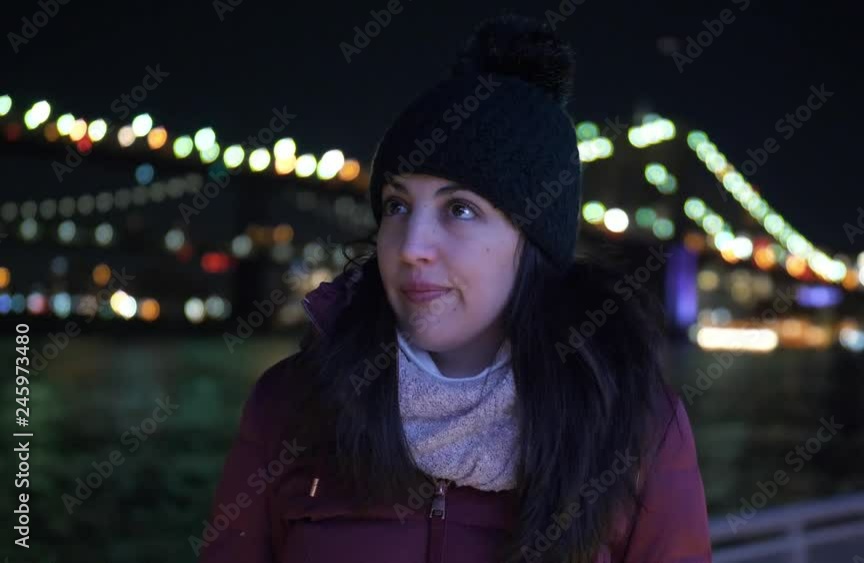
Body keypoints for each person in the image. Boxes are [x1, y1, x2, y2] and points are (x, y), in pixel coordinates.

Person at [196, 14, 712, 563]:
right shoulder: (288, 405)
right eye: (397, 206)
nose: (411, 246)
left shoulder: (636, 428)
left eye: (460, 209)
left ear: (534, 243)